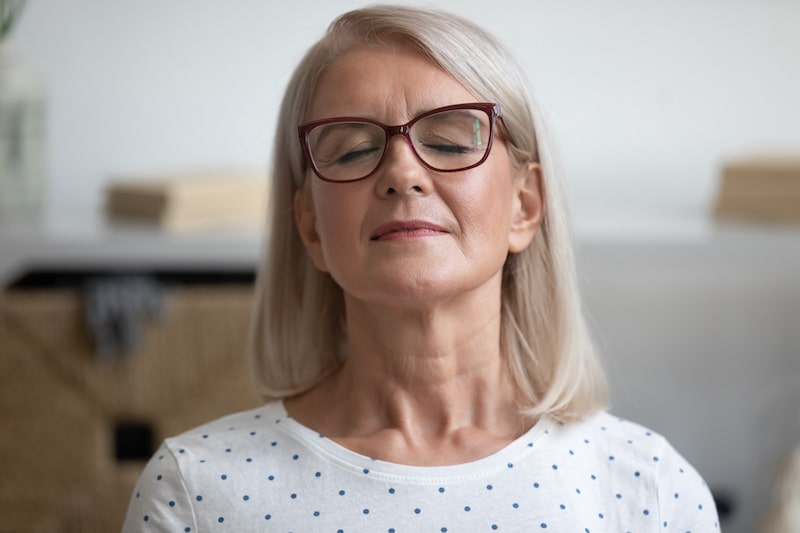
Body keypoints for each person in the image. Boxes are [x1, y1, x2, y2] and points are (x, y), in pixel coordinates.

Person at [122, 5, 719, 532]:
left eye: (453, 142)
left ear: (525, 205)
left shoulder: (650, 494)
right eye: (353, 149)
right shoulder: (197, 494)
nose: (401, 173)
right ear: (311, 228)